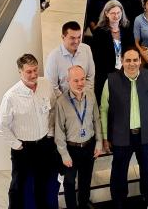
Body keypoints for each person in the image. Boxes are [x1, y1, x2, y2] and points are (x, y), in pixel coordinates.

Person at [100, 48, 148, 209]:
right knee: (119, 171)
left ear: (140, 61)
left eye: (135, 60)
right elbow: (103, 109)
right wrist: (104, 136)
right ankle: (119, 200)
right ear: (122, 61)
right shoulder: (111, 80)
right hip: (121, 135)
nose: (132, 64)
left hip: (146, 134)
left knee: (147, 168)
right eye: (128, 60)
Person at [0, 53, 57, 209]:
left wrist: (50, 132)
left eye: (36, 70)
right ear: (20, 72)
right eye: (29, 71)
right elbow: (1, 126)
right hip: (23, 148)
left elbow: (53, 109)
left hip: (44, 144)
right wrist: (17, 145)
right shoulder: (10, 96)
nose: (33, 75)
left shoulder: (45, 85)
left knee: (42, 181)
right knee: (19, 184)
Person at [54, 65, 103, 209]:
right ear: (68, 81)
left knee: (85, 179)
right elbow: (59, 131)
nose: (80, 83)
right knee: (69, 182)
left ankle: (83, 203)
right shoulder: (61, 102)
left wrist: (99, 142)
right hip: (71, 149)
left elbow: (96, 119)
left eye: (82, 79)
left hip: (89, 145)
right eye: (76, 80)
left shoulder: (91, 95)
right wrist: (64, 154)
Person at [89, 0, 133, 100]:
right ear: (106, 13)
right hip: (105, 75)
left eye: (118, 13)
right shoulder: (99, 32)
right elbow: (96, 57)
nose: (116, 16)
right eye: (113, 13)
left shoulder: (126, 29)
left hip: (124, 73)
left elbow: (130, 51)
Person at [45, 21, 95, 95]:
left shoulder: (86, 49)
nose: (76, 41)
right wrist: (67, 102)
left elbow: (90, 77)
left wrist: (83, 96)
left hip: (84, 96)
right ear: (63, 37)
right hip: (63, 100)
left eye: (79, 37)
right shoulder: (53, 57)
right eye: (72, 38)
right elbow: (52, 87)